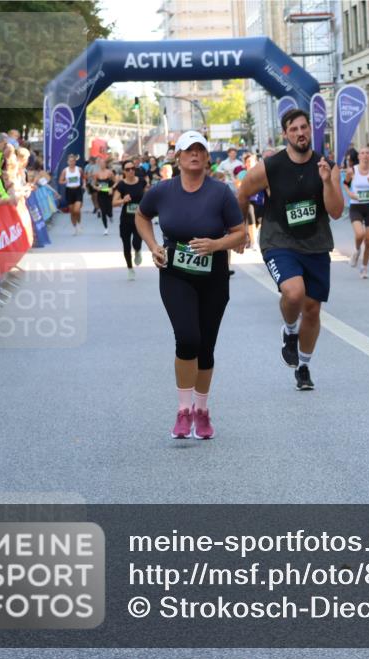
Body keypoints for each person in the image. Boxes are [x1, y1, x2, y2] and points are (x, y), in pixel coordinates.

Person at [135, 131, 246, 439]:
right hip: (176, 273)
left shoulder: (221, 192)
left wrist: (216, 244)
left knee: (206, 346)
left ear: (207, 157)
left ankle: (202, 411)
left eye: (200, 150)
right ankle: (183, 411)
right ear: (178, 157)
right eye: (188, 150)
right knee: (187, 339)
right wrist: (153, 246)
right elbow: (141, 217)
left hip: (213, 276)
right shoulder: (163, 190)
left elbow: (241, 233)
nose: (194, 154)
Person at [235, 108, 344, 390]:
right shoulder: (270, 167)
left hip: (316, 243)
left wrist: (327, 181)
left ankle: (304, 367)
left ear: (310, 130)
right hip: (278, 240)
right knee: (294, 292)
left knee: (312, 310)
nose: (300, 133)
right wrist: (241, 230)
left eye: (304, 127)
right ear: (285, 134)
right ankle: (290, 330)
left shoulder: (327, 166)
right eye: (294, 129)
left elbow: (335, 211)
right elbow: (243, 192)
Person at [344, 146, 369, 278]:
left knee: (368, 241)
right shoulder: (352, 170)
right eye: (362, 153)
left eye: (367, 153)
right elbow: (345, 184)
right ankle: (356, 250)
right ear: (359, 156)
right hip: (356, 207)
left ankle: (364, 268)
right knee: (360, 234)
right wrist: (350, 194)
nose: (365, 155)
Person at [113, 159, 147, 280]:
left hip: (140, 219)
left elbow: (148, 195)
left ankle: (137, 251)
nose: (131, 171)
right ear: (124, 171)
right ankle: (130, 268)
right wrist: (123, 200)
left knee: (137, 242)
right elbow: (114, 202)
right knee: (126, 245)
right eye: (128, 169)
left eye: (133, 168)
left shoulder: (141, 182)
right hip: (126, 220)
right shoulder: (121, 185)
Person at [58, 154, 85, 234]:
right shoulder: (65, 170)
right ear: (67, 162)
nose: (72, 162)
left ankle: (79, 224)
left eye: (73, 161)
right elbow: (60, 181)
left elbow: (84, 177)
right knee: (72, 211)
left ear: (75, 162)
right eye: (70, 161)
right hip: (69, 191)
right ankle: (75, 227)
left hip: (77, 190)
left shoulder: (79, 169)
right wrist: (65, 181)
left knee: (77, 210)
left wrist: (84, 184)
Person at [92, 158, 116, 235]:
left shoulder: (110, 172)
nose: (102, 165)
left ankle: (110, 216)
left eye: (103, 163)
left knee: (109, 210)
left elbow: (116, 182)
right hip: (101, 194)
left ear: (105, 164)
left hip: (108, 194)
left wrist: (112, 188)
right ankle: (106, 228)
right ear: (99, 164)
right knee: (103, 211)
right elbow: (93, 184)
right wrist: (96, 187)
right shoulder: (96, 174)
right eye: (101, 163)